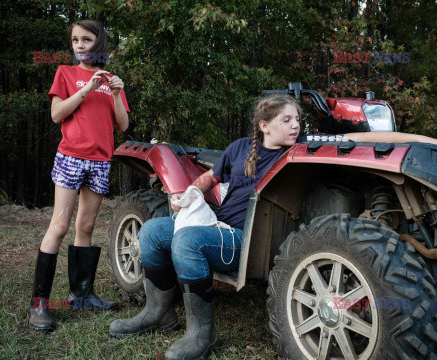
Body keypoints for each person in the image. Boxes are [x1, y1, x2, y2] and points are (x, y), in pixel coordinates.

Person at [108, 93, 301, 359]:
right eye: (287, 119)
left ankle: (203, 333)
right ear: (264, 125)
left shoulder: (297, 152)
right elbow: (210, 178)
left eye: (297, 120)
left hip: (245, 241)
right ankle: (159, 314)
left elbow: (345, 141)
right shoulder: (240, 147)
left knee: (188, 240)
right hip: (218, 224)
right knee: (151, 232)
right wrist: (186, 195)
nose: (295, 126)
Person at [28, 19, 130, 332]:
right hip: (71, 158)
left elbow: (123, 125)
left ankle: (81, 295)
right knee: (59, 226)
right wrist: (86, 88)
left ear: (98, 43)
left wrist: (114, 92)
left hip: (100, 161)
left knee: (85, 227)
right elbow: (57, 114)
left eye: (86, 40)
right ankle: (39, 306)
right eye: (75, 40)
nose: (80, 45)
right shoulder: (66, 73)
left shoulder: (111, 78)